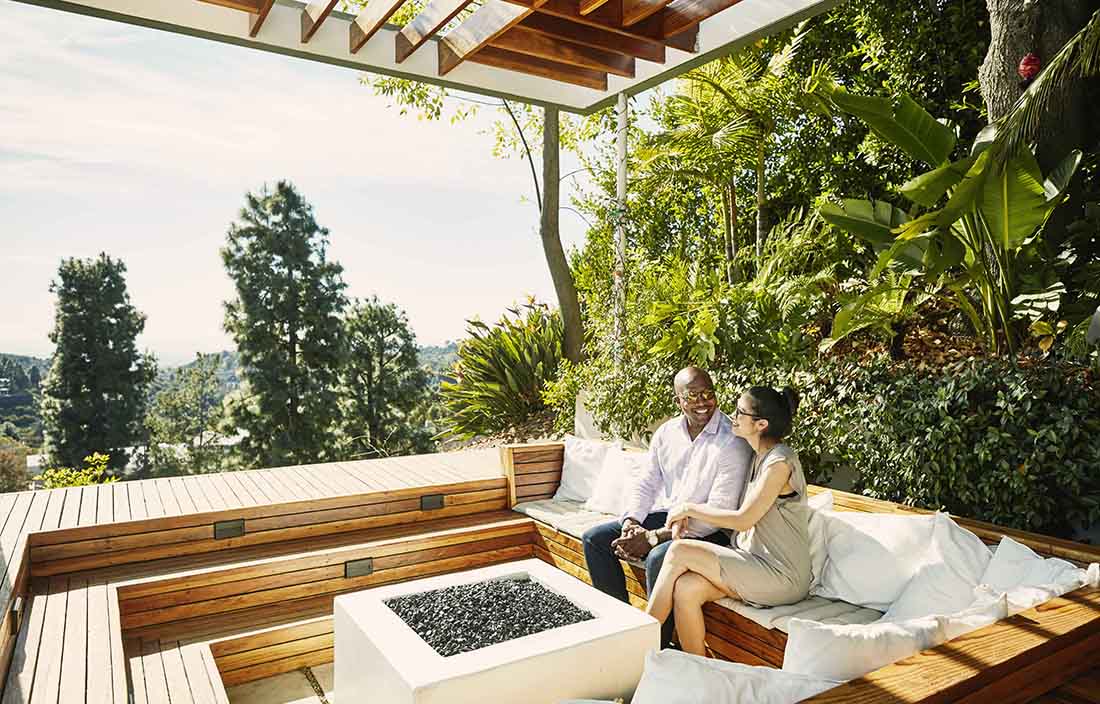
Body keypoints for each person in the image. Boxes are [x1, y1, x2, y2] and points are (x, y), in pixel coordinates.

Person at [581, 366, 752, 647]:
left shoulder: (732, 441)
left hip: (713, 531)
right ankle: (620, 630)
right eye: (693, 395)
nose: (702, 402)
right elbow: (645, 482)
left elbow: (719, 513)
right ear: (678, 401)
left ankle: (657, 644)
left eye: (708, 394)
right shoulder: (666, 433)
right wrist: (632, 524)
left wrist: (652, 537)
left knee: (659, 556)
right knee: (595, 540)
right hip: (672, 518)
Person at [644, 386, 811, 657]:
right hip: (753, 563)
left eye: (740, 412)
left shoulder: (779, 463)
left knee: (678, 551)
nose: (732, 416)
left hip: (781, 576)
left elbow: (744, 519)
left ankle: (637, 644)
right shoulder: (759, 456)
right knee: (686, 589)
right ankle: (698, 671)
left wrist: (689, 508)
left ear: (760, 424)